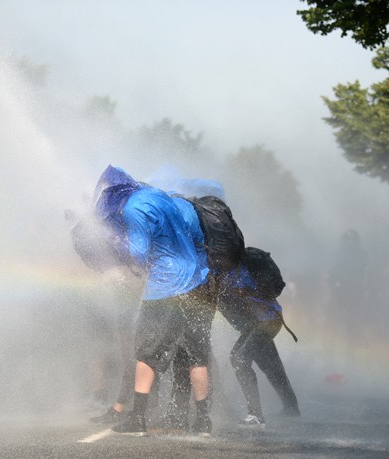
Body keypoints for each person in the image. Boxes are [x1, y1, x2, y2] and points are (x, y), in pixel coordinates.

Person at [73, 165, 215, 436]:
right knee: (197, 355)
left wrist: (121, 248)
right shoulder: (165, 198)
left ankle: (137, 418)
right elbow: (196, 238)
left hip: (165, 285)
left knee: (146, 352)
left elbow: (138, 255)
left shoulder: (133, 210)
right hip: (197, 281)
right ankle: (204, 421)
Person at [217, 260, 300, 428]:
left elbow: (247, 291)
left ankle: (255, 415)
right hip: (268, 319)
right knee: (270, 366)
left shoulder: (231, 271)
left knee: (239, 358)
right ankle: (291, 408)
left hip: (262, 322)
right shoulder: (228, 269)